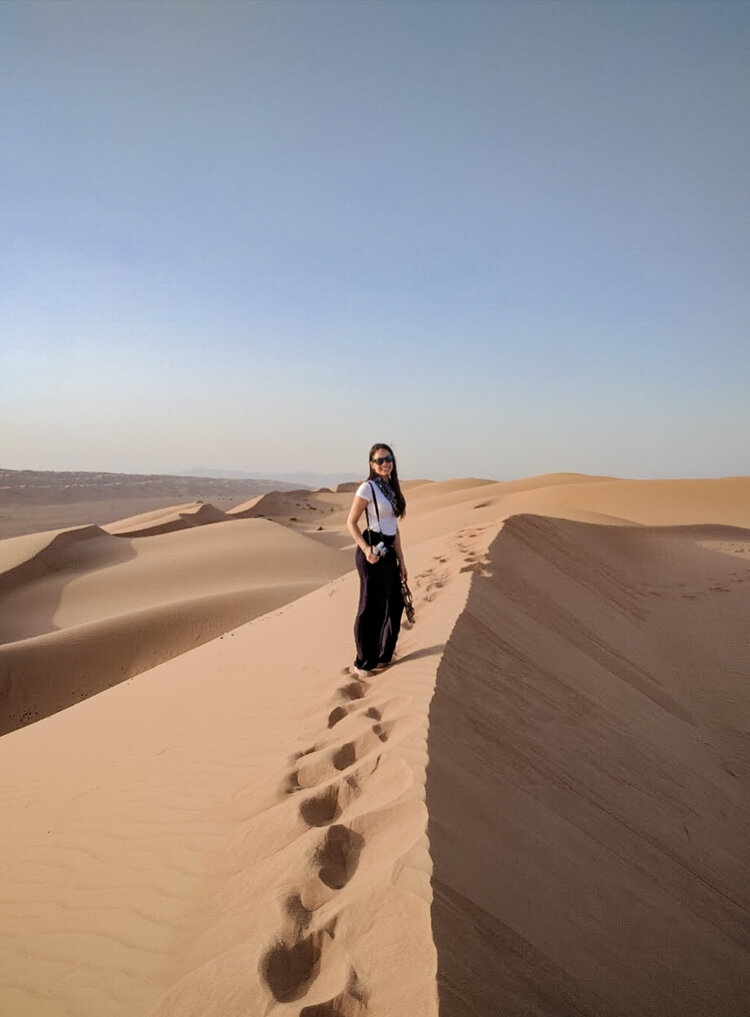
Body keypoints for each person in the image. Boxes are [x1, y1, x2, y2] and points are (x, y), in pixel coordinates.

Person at [346, 443, 408, 677]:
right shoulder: (367, 488)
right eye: (379, 460)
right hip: (371, 550)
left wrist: (401, 560)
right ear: (372, 464)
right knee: (370, 607)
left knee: (395, 604)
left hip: (389, 551)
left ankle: (383, 657)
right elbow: (350, 522)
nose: (385, 464)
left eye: (388, 458)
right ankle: (363, 662)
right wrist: (365, 549)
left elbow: (395, 527)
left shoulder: (391, 489)